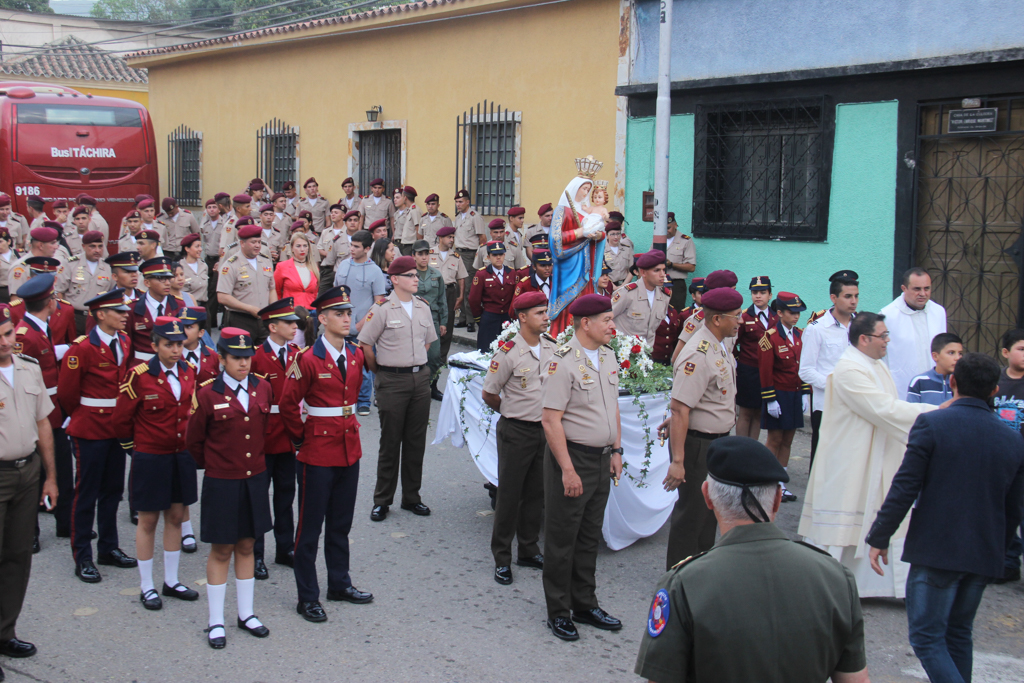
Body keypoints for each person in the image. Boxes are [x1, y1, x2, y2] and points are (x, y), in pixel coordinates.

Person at [635, 436, 870, 683]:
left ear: (707, 497)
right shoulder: (835, 578)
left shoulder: (684, 585)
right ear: (778, 499)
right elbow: (856, 680)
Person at [867, 352, 1024, 683]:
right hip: (983, 552)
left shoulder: (932, 424)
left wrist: (880, 536)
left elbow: (905, 486)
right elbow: (1014, 508)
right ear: (995, 390)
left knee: (926, 638)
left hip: (937, 549)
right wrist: (1002, 551)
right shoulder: (1011, 439)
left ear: (952, 382)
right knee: (957, 634)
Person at [799, 312, 936, 598]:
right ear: (864, 339)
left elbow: (890, 406)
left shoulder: (874, 364)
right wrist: (937, 414)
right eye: (883, 336)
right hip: (852, 457)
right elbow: (883, 409)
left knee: (876, 504)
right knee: (850, 512)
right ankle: (835, 583)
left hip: (875, 450)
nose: (887, 341)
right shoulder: (850, 368)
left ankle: (875, 586)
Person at [281, 286, 374, 623]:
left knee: (340, 524)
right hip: (317, 451)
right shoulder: (306, 359)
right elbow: (288, 405)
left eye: (349, 313)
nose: (347, 318)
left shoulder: (354, 354)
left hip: (349, 449)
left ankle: (339, 583)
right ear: (322, 319)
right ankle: (307, 597)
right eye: (339, 313)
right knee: (309, 529)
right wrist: (300, 441)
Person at [540, 294, 623, 641]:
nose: (612, 326)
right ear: (585, 324)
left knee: (589, 536)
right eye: (606, 320)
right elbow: (550, 420)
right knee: (562, 538)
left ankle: (584, 603)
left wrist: (617, 450)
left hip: (602, 458)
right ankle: (558, 611)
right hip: (573, 458)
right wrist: (568, 470)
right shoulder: (563, 361)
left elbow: (613, 407)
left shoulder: (607, 356)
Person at [186, 328, 273, 649]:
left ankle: (246, 613)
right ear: (221, 359)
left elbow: (262, 429)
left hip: (254, 479)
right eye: (236, 358)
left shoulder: (263, 388)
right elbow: (193, 442)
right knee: (222, 549)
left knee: (248, 545)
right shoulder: (208, 393)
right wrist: (217, 464)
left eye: (247, 357)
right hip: (222, 481)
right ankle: (216, 620)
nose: (244, 363)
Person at [113, 316, 199, 611]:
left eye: (179, 344)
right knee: (148, 520)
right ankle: (147, 585)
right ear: (154, 346)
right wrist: (135, 451)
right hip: (151, 456)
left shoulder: (189, 371)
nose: (176, 350)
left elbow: (191, 411)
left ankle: (171, 581)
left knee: (176, 516)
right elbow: (121, 420)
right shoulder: (139, 375)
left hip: (180, 454)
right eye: (169, 345)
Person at [58, 289, 138, 583]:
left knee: (112, 492)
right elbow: (67, 393)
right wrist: (81, 416)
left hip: (115, 428)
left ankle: (108, 547)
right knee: (87, 493)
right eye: (118, 311)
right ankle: (83, 556)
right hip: (90, 428)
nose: (125, 315)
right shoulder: (82, 349)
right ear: (101, 314)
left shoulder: (124, 341)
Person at [661, 286, 743, 570]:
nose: (741, 320)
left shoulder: (718, 344)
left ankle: (700, 574)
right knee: (691, 518)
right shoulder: (698, 352)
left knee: (710, 515)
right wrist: (679, 461)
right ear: (718, 319)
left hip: (717, 443)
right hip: (699, 447)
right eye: (736, 315)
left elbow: (697, 401)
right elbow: (680, 408)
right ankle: (677, 581)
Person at [0, 301, 58, 674]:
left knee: (18, 556)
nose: (6, 342)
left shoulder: (28, 368)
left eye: (7, 334)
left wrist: (50, 476)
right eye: (0, 338)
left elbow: (44, 427)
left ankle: (5, 632)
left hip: (27, 472)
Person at [481, 291, 554, 586]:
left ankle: (528, 549)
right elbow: (489, 393)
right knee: (510, 495)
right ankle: (502, 557)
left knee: (536, 494)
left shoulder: (552, 347)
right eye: (539, 313)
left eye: (546, 311)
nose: (546, 317)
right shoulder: (508, 353)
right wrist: (513, 412)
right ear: (522, 318)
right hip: (517, 431)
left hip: (545, 431)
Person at [358, 255, 438, 522]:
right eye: (410, 275)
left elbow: (427, 342)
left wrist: (414, 365)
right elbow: (366, 345)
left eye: (416, 275)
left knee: (416, 442)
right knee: (390, 442)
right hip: (391, 380)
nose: (416, 279)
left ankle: (411, 497)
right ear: (394, 280)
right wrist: (379, 371)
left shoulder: (423, 307)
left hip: (419, 379)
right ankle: (382, 500)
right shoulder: (381, 308)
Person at [13, 275, 73, 551]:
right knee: (37, 472)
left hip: (53, 409)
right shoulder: (25, 335)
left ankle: (65, 522)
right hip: (37, 411)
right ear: (49, 302)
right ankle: (31, 532)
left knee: (60, 466)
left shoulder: (39, 328)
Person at [799, 270, 859, 468]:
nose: (853, 301)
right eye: (848, 296)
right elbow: (806, 370)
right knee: (824, 461)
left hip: (856, 403)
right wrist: (835, 385)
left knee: (852, 458)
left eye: (856, 296)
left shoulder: (862, 326)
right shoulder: (817, 329)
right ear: (834, 298)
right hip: (827, 405)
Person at [758, 292, 810, 503]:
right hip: (778, 395)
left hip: (795, 394)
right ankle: (768, 481)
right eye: (791, 312)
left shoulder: (799, 335)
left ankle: (781, 481)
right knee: (775, 439)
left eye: (798, 312)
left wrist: (805, 392)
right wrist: (770, 398)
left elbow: (804, 366)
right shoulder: (769, 337)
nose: (796, 316)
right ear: (779, 313)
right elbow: (765, 371)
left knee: (788, 439)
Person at [333, 230, 387, 416]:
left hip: (362, 327)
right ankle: (344, 398)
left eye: (356, 247)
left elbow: (379, 303)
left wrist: (361, 325)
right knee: (340, 365)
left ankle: (364, 400)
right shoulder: (343, 265)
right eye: (351, 245)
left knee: (363, 366)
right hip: (339, 326)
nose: (351, 249)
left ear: (367, 248)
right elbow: (335, 294)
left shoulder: (375, 271)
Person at [548, 168, 607, 336]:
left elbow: (598, 234)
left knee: (585, 304)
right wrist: (581, 233)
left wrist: (599, 235)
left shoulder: (588, 212)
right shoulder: (562, 210)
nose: (586, 192)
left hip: (586, 268)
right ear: (575, 188)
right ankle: (562, 336)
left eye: (589, 190)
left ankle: (585, 339)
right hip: (568, 266)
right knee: (570, 305)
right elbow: (555, 240)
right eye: (583, 188)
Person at [881, 268, 947, 400]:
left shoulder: (939, 312)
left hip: (934, 389)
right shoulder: (887, 316)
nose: (922, 293)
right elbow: (881, 359)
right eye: (917, 289)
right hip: (901, 390)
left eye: (927, 288)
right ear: (904, 288)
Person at [993, 328, 1024, 583]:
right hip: (1000, 458)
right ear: (1006, 352)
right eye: (1021, 349)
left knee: (1019, 509)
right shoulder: (996, 381)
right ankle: (1006, 562)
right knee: (1003, 510)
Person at [217, 224, 277, 346]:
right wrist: (249, 308)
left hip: (264, 320)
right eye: (253, 242)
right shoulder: (231, 265)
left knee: (264, 357)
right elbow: (222, 296)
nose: (257, 245)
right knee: (241, 359)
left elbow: (271, 289)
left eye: (259, 242)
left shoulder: (265, 261)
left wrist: (273, 310)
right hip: (240, 319)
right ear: (242, 243)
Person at [129, 258, 186, 363]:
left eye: (169, 278)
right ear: (147, 282)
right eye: (161, 279)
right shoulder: (133, 308)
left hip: (171, 363)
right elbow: (127, 343)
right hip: (141, 363)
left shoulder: (178, 305)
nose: (167, 283)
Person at [429, 226, 467, 374]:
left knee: (448, 325)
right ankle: (429, 357)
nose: (452, 240)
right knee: (432, 324)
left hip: (450, 292)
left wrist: (461, 296)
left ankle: (441, 360)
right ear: (441, 238)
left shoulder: (456, 257)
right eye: (449, 237)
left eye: (453, 237)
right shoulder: (430, 253)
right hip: (433, 292)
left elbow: (461, 278)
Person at [413, 240, 447, 400]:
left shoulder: (437, 275)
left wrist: (443, 322)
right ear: (414, 256)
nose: (424, 257)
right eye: (420, 254)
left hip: (432, 321)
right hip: (412, 320)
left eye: (426, 253)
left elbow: (442, 300)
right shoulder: (409, 275)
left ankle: (431, 385)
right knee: (414, 356)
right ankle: (416, 388)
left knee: (434, 357)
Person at [610, 251, 669, 343]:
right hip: (622, 351)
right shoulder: (627, 293)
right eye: (657, 270)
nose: (662, 274)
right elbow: (606, 318)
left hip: (646, 352)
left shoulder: (664, 296)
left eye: (663, 270)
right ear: (643, 272)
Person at [468, 242, 517, 353]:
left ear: (505, 255)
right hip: (489, 318)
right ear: (488, 257)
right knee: (486, 352)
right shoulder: (482, 274)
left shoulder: (512, 273)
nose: (498, 257)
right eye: (494, 255)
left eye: (501, 254)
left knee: (509, 352)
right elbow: (474, 299)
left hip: (507, 318)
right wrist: (479, 318)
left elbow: (516, 297)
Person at [452, 189, 486, 331]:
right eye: (457, 202)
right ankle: (463, 318)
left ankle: (471, 320)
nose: (458, 204)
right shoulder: (459, 217)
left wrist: (480, 256)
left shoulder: (474, 216)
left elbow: (482, 238)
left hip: (470, 254)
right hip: (458, 253)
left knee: (469, 288)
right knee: (460, 286)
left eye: (460, 202)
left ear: (467, 202)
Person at [906, 333, 962, 405]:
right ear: (935, 356)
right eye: (951, 353)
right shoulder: (919, 381)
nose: (957, 358)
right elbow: (912, 411)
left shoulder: (962, 382)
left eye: (960, 353)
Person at [275, 232, 319, 310]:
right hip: (291, 311)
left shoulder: (314, 268)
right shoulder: (282, 267)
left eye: (305, 246)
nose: (302, 249)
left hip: (310, 312)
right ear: (292, 248)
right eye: (298, 246)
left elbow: (314, 293)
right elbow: (276, 292)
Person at [662, 212, 696, 310]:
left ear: (675, 225)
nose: (666, 231)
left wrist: (671, 264)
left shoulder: (686, 241)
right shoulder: (659, 239)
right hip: (658, 282)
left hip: (675, 284)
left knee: (675, 313)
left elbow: (691, 267)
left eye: (668, 228)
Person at [180, 306, 219, 385]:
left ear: (201, 332)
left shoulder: (212, 356)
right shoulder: (172, 354)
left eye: (189, 327)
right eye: (180, 327)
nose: (183, 331)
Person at [179, 234, 208, 307]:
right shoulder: (180, 267)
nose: (200, 249)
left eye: (200, 246)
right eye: (197, 246)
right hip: (187, 306)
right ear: (187, 249)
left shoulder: (203, 266)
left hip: (203, 306)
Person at [602, 221, 632, 286]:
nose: (616, 237)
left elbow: (632, 270)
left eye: (618, 234)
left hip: (625, 285)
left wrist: (623, 285)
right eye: (612, 234)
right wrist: (614, 287)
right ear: (607, 236)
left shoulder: (627, 249)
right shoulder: (602, 251)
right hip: (609, 285)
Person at [394, 186, 421, 256]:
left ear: (405, 198)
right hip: (406, 244)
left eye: (402, 196)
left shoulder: (415, 211)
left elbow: (418, 229)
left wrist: (419, 246)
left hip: (411, 244)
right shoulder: (410, 210)